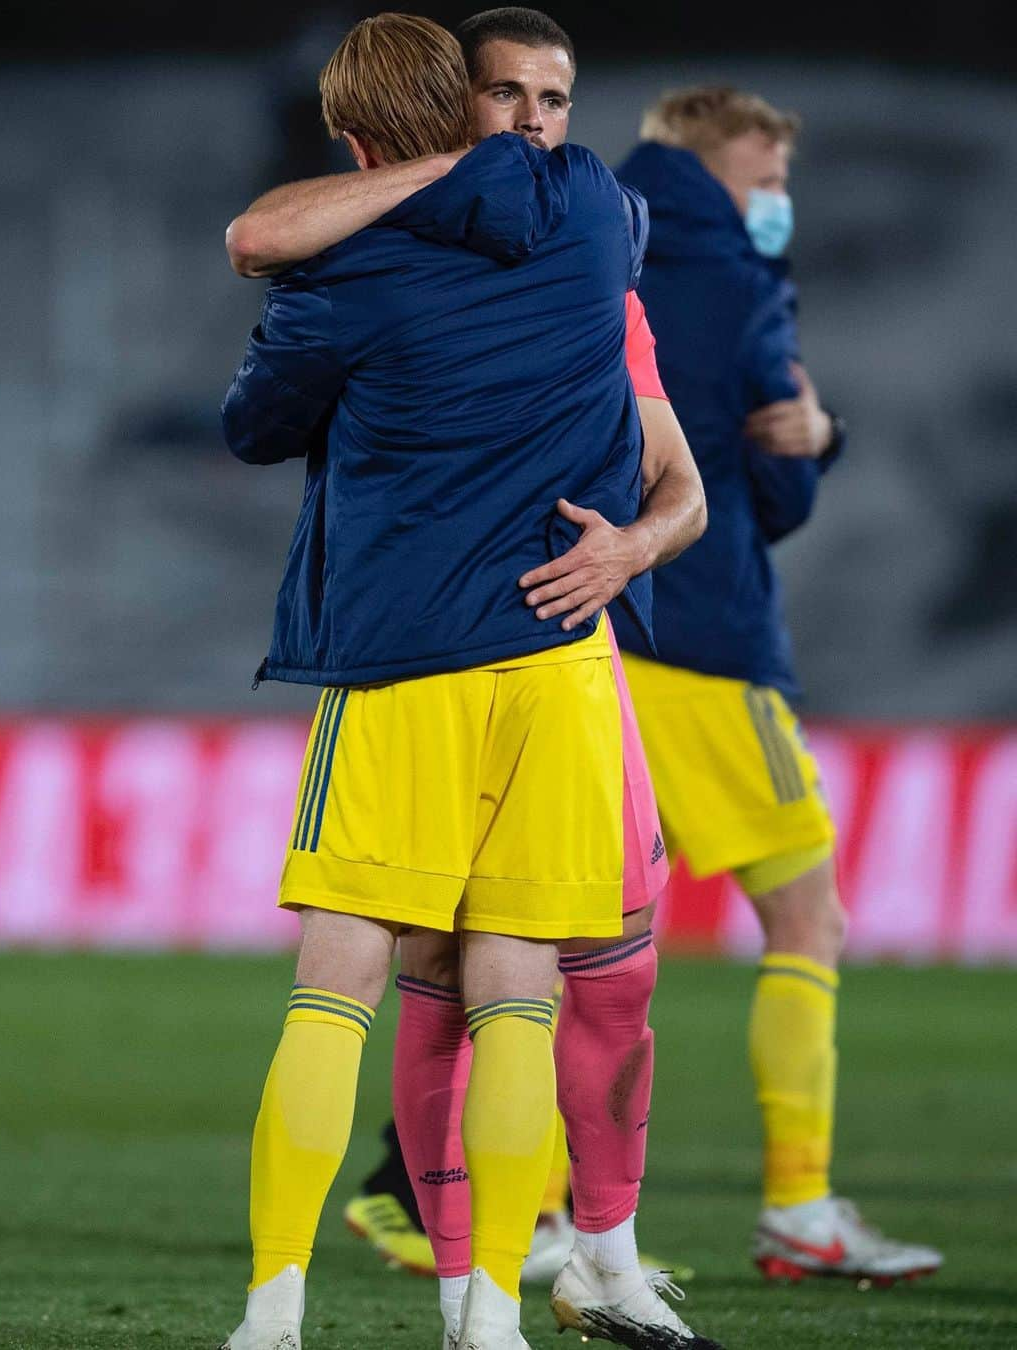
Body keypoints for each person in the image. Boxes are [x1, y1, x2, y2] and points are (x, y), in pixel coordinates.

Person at [219, 14, 716, 1350]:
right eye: (516, 96)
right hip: (556, 664)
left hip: (403, 663)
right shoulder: (600, 214)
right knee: (520, 993)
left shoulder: (347, 271)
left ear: (360, 141)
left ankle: (273, 1314)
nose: (539, 114)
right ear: (479, 111)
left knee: (338, 981)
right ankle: (487, 1313)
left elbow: (255, 396)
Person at [613, 85, 943, 1284]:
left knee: (565, 942)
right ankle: (799, 1208)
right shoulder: (742, 285)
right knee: (808, 913)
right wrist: (825, 437)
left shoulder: (583, 247)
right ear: (711, 173)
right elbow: (781, 478)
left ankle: (536, 1212)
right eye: (764, 178)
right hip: (702, 633)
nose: (776, 203)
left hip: (577, 626)